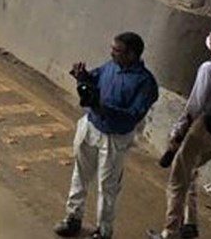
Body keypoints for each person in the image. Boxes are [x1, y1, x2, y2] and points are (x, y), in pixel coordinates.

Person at [54, 33, 159, 239]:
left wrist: (103, 108)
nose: (111, 53)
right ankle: (73, 218)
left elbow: (133, 115)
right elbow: (95, 77)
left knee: (108, 186)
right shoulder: (111, 66)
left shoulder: (145, 83)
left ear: (132, 54)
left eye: (117, 50)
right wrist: (82, 77)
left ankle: (104, 231)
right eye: (112, 48)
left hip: (114, 138)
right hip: (91, 126)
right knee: (80, 174)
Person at [147, 19, 211, 239]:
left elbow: (195, 106)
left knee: (177, 179)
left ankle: (170, 232)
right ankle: (190, 224)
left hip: (205, 128)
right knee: (190, 170)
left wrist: (177, 134)